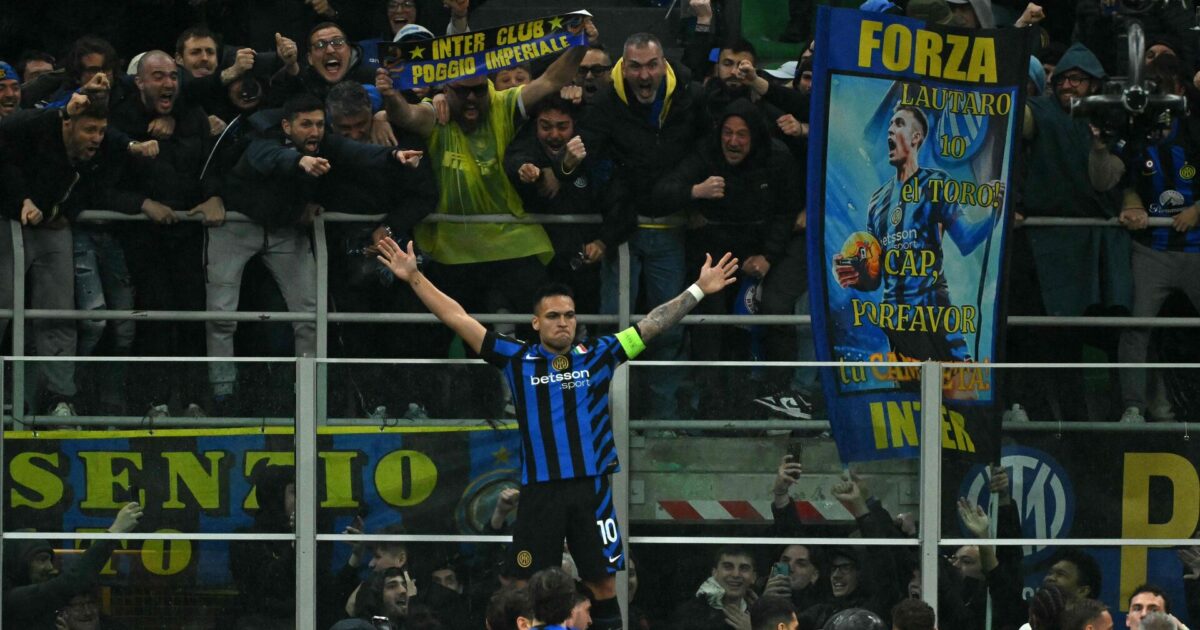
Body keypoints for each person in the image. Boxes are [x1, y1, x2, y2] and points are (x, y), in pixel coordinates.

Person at [376, 235, 738, 630]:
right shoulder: (517, 358)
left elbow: (651, 324)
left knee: (602, 582)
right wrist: (414, 277)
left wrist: (698, 289)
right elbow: (459, 318)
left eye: (568, 315)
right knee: (522, 586)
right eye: (553, 316)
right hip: (541, 494)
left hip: (591, 490)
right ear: (536, 323)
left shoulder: (600, 354)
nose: (562, 322)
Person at [207, 92, 421, 413]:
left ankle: (308, 394)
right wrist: (299, 161)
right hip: (237, 227)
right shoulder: (264, 137)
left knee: (309, 313)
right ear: (286, 125)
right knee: (221, 314)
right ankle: (222, 393)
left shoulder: (325, 144)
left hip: (285, 230)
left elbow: (356, 152)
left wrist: (393, 156)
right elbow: (265, 157)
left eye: (319, 124)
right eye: (305, 124)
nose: (314, 131)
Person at [580, 31, 709, 420]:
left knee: (667, 329)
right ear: (624, 66)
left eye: (651, 64)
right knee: (611, 326)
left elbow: (705, 146)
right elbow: (594, 163)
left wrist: (677, 189)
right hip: (623, 233)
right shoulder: (605, 101)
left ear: (664, 64)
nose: (643, 74)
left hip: (669, 230)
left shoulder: (689, 93)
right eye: (635, 66)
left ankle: (662, 421)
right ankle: (602, 416)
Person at [0, 89, 143, 416]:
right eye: (89, 130)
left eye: (101, 131)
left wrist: (53, 212)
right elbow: (6, 132)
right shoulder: (38, 131)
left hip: (50, 229)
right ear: (68, 125)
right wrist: (20, 200)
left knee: (58, 312)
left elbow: (87, 193)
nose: (96, 138)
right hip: (6, 223)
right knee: (3, 309)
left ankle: (59, 398)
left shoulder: (96, 157)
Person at [654, 99, 798, 418]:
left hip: (761, 251)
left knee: (769, 315)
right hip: (713, 252)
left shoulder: (777, 157)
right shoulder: (707, 152)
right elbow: (664, 190)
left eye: (742, 135)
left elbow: (788, 211)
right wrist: (695, 191)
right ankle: (710, 403)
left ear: (755, 136)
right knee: (710, 322)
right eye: (728, 133)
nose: (732, 142)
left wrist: (768, 256)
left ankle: (776, 402)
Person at [832, 103, 999, 364]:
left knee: (961, 393)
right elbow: (876, 277)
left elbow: (966, 240)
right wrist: (853, 272)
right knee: (909, 396)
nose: (889, 130)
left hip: (934, 313)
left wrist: (996, 213)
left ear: (916, 137)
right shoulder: (877, 202)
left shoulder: (936, 183)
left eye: (898, 124)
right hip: (896, 322)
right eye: (889, 124)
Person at [1115, 54, 1200, 423]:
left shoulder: (1196, 128)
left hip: (1197, 248)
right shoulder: (1135, 132)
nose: (1156, 96)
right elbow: (1127, 184)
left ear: (1179, 90)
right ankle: (1133, 408)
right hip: (1151, 249)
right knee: (1136, 328)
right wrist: (1132, 205)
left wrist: (1199, 210)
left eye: (1163, 88)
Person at [503, 95, 606, 314]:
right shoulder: (525, 145)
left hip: (582, 260)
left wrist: (604, 241)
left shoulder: (592, 148)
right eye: (546, 127)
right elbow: (517, 160)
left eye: (562, 127)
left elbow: (615, 198)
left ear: (574, 125)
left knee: (585, 322)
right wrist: (527, 171)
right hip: (538, 261)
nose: (554, 135)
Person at [1, 503, 142, 629]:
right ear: (20, 564)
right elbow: (73, 580)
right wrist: (116, 531)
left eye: (50, 560)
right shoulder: (12, 601)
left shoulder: (45, 611)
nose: (50, 567)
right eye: (41, 560)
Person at [672, 546, 759, 630]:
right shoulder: (689, 614)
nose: (736, 574)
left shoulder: (763, 616)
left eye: (744, 568)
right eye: (728, 567)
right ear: (715, 573)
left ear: (753, 577)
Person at [330, 567, 419, 630]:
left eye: (404, 585)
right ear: (375, 595)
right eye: (392, 586)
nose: (403, 590)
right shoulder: (355, 627)